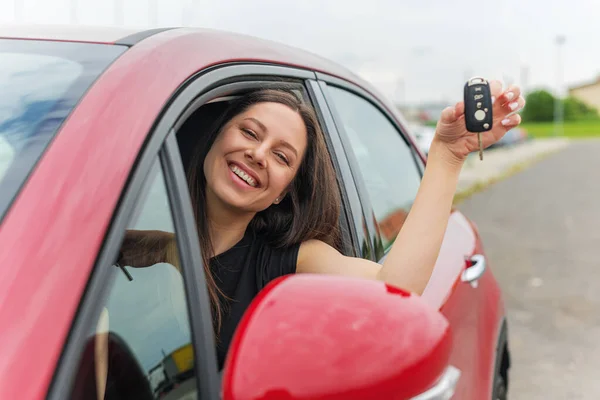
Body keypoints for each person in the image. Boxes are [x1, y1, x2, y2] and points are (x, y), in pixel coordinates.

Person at [118, 82, 524, 368]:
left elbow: (395, 289)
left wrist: (447, 156)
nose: (258, 154)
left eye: (282, 157)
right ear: (214, 138)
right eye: (248, 132)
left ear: (281, 192)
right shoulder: (167, 248)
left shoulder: (289, 261)